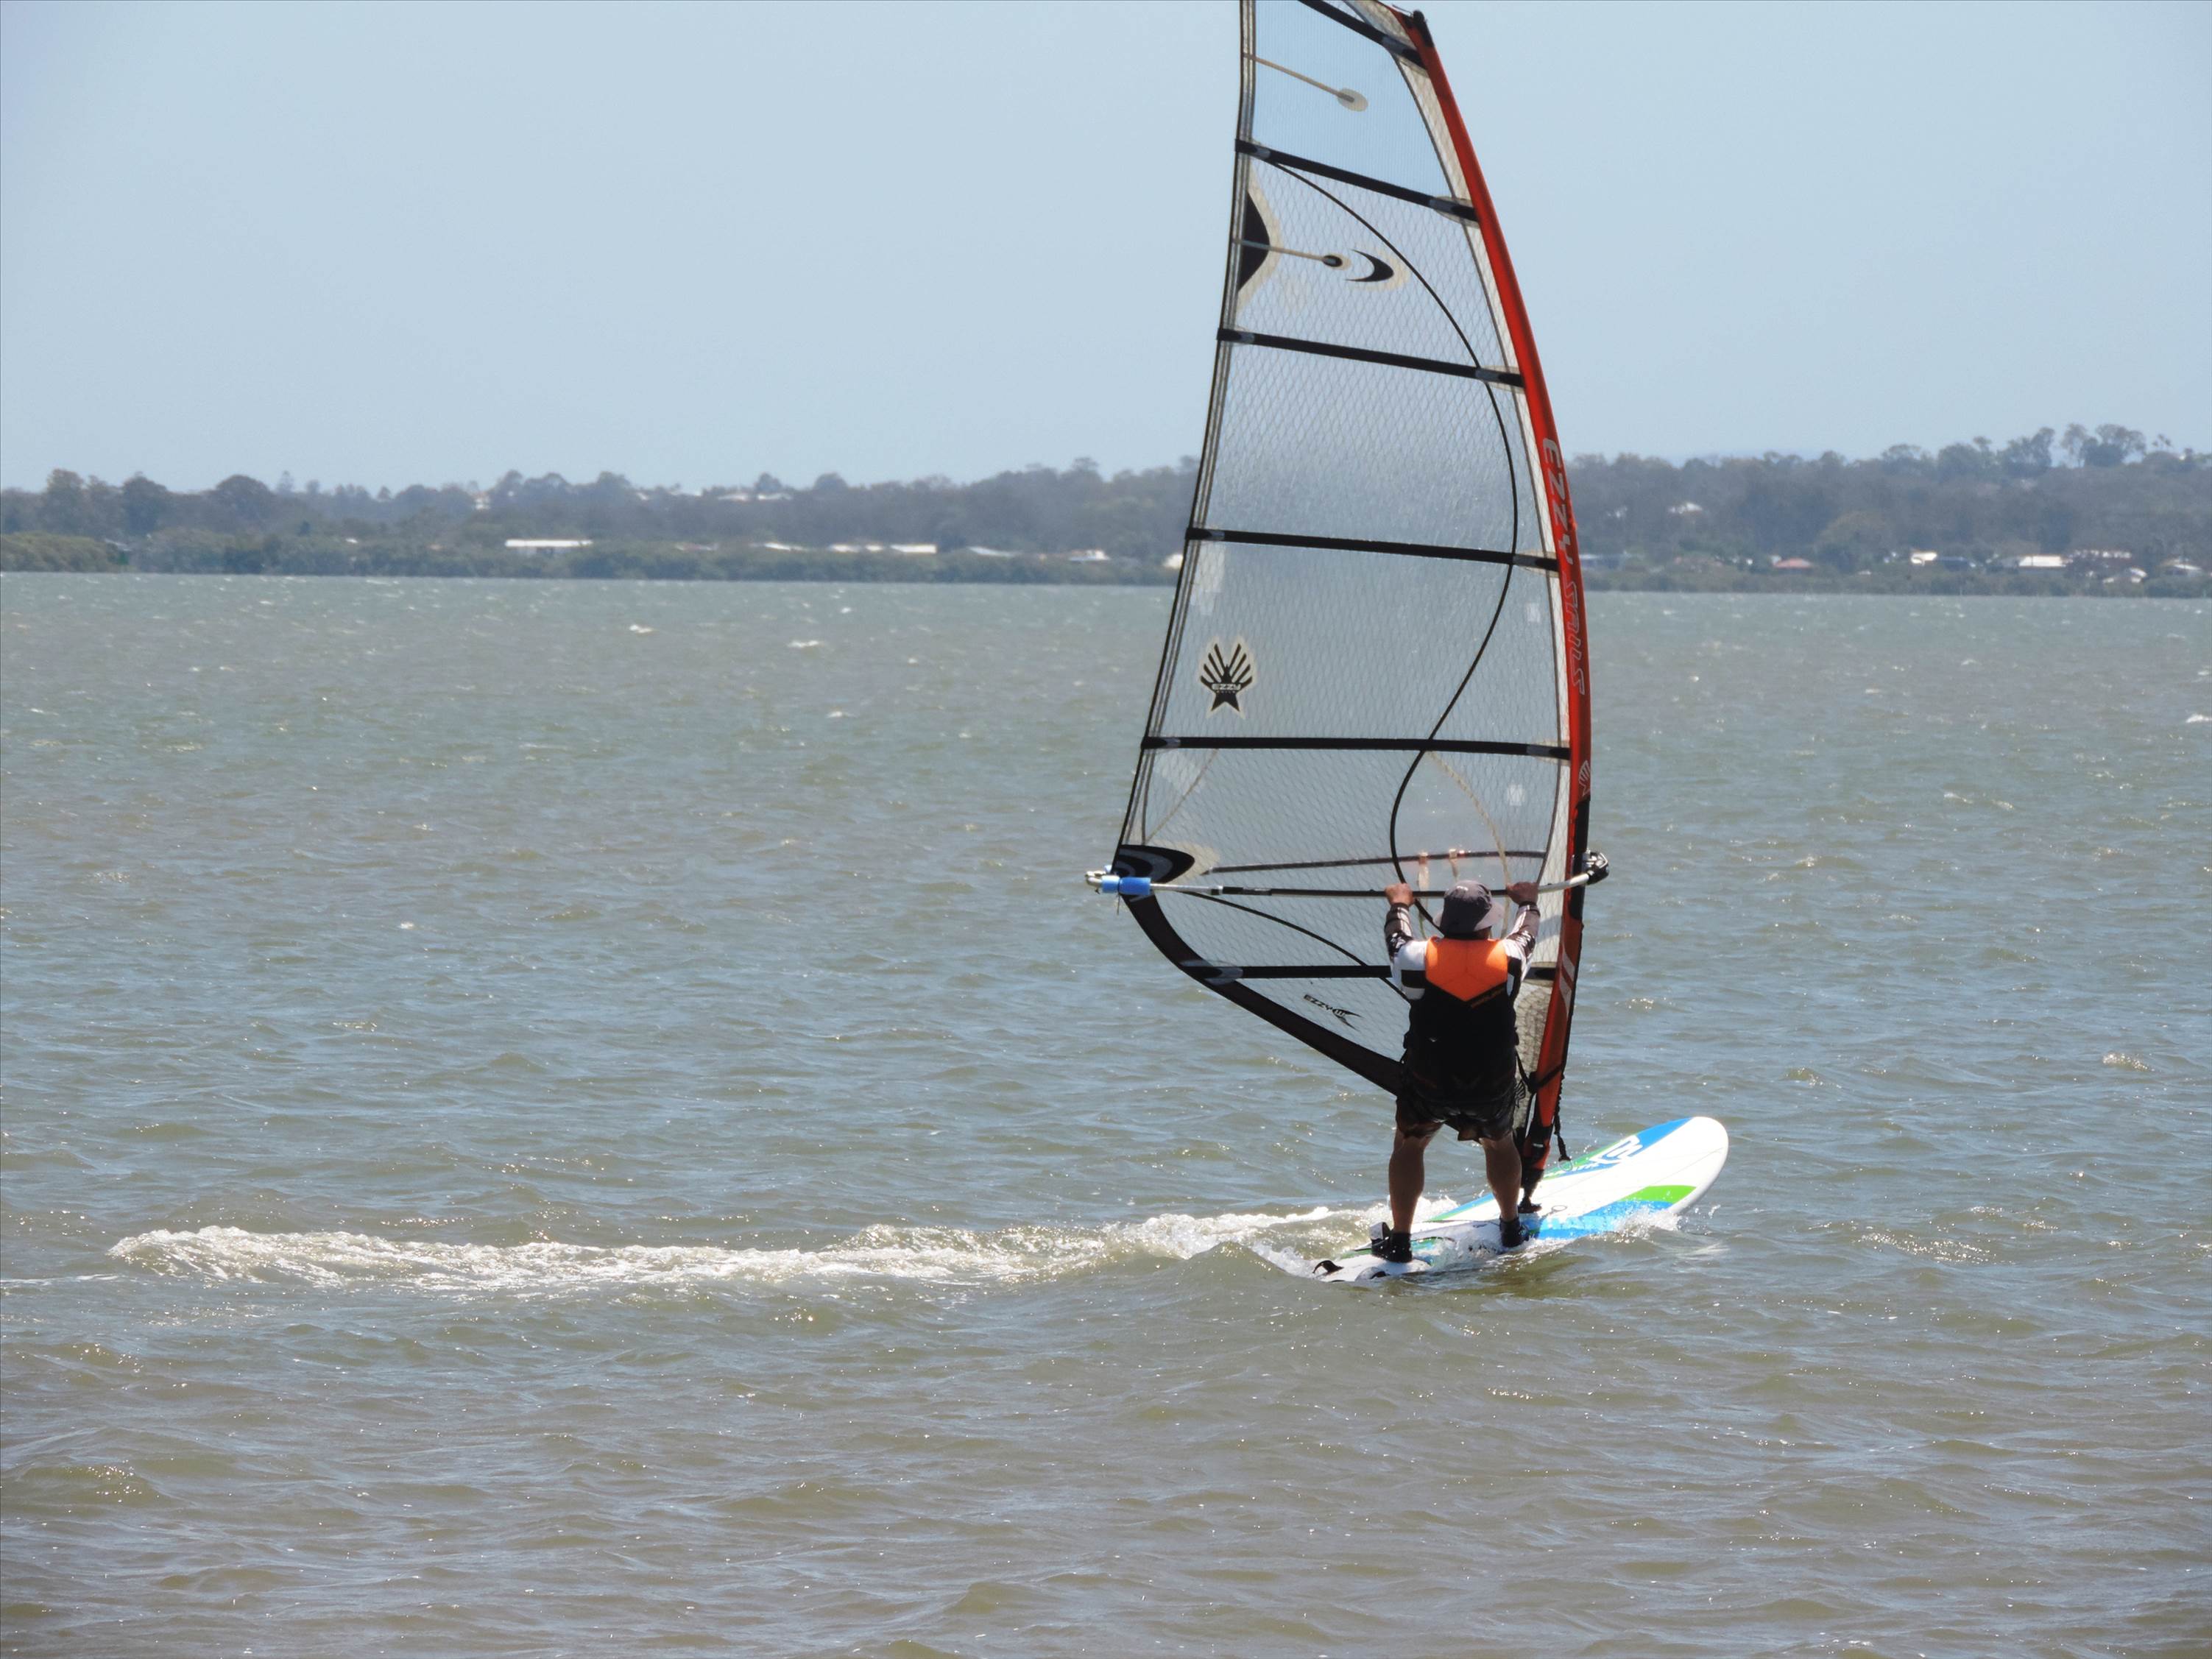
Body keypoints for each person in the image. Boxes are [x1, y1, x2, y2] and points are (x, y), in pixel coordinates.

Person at [1372, 876, 1542, 1264]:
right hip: (1490, 1085)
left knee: (1410, 1143)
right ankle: (1511, 1227)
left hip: (1429, 1083)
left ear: (1444, 921)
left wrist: (1399, 903)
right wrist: (1528, 902)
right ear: (1487, 925)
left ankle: (1400, 1241)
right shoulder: (1510, 957)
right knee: (1500, 1142)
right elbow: (1528, 932)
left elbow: (1396, 937)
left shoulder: (1416, 957)